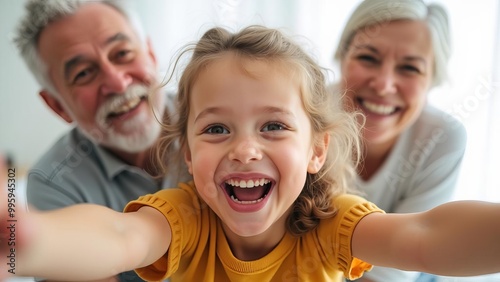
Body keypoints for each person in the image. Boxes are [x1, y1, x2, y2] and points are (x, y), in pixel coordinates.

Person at [3, 25, 500, 282]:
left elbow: (423, 236)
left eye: (275, 127)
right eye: (216, 128)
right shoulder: (183, 220)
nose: (244, 149)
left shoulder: (333, 226)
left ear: (316, 150)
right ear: (188, 152)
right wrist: (29, 238)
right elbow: (119, 236)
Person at [12, 0, 186, 281]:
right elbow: (120, 240)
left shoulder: (223, 125)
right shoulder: (54, 182)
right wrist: (35, 246)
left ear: (151, 54)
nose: (118, 83)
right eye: (83, 73)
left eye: (123, 53)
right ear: (57, 105)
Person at [332, 1, 467, 280]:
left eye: (409, 68)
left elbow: (401, 269)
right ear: (342, 57)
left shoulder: (443, 138)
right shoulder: (299, 119)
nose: (383, 85)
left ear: (432, 80)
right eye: (368, 58)